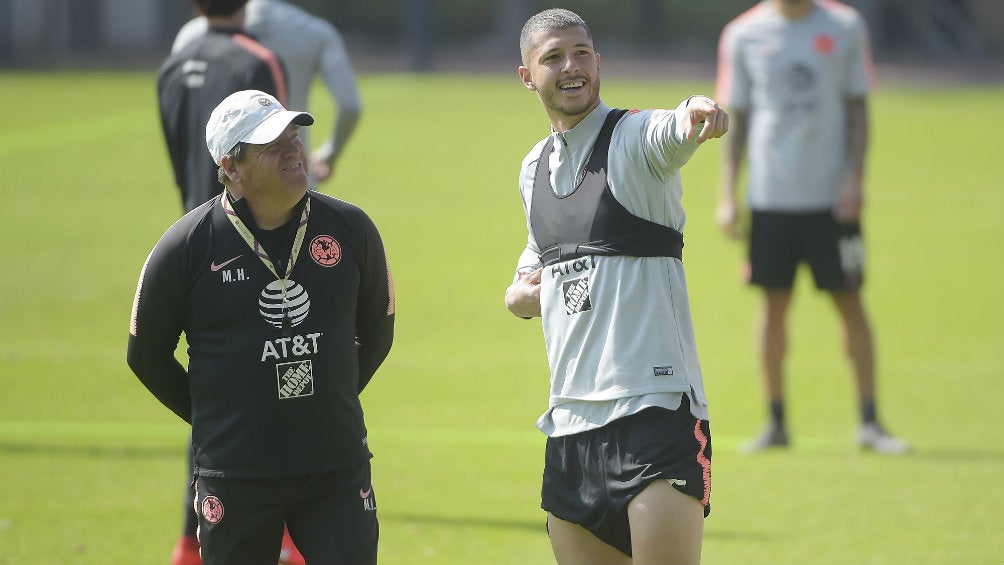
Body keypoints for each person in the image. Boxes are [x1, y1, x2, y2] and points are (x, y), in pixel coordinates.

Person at [128, 89, 395, 565]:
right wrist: (213, 417)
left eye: (294, 135)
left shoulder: (351, 228)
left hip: (334, 468)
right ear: (231, 167)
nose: (294, 149)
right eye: (273, 144)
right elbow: (144, 354)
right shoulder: (186, 246)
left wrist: (333, 395)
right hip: (236, 474)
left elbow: (378, 328)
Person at [504, 9, 728, 564]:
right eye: (553, 57)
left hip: (654, 415)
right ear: (528, 76)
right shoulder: (533, 169)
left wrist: (693, 114)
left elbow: (668, 134)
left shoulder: (632, 139)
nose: (571, 66)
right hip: (570, 427)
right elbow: (529, 271)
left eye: (581, 52)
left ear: (598, 63)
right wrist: (522, 297)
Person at [715, 0, 909, 454]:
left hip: (832, 201)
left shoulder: (844, 25)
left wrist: (854, 180)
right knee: (773, 306)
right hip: (770, 199)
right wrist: (728, 195)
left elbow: (858, 109)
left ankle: (870, 422)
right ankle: (776, 421)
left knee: (850, 301)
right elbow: (737, 119)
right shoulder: (742, 34)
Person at [172, 0, 363, 184]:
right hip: (290, 176)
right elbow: (350, 106)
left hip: (210, 181)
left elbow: (174, 110)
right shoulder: (314, 31)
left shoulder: (191, 35)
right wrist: (329, 155)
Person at [158, 0, 289, 214]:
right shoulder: (259, 62)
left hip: (195, 221)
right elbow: (280, 148)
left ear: (196, 7)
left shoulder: (172, 67)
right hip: (251, 228)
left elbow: (177, 159)